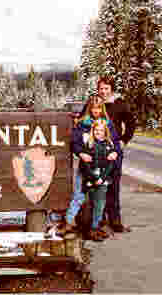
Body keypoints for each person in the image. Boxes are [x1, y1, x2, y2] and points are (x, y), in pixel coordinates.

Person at [81, 75, 136, 233]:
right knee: (97, 183)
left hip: (113, 149)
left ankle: (115, 219)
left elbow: (131, 123)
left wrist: (124, 140)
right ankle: (99, 218)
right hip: (97, 150)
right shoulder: (93, 103)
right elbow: (82, 119)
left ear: (111, 89)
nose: (103, 91)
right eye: (101, 89)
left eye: (106, 88)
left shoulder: (119, 103)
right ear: (97, 89)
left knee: (114, 184)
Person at [60, 96, 121, 238]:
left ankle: (95, 226)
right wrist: (80, 153)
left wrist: (114, 153)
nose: (96, 110)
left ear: (102, 109)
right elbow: (75, 142)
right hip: (86, 167)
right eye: (93, 108)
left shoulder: (108, 124)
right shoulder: (82, 124)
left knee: (99, 200)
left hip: (102, 168)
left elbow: (115, 143)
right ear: (89, 108)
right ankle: (69, 222)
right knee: (78, 195)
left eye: (99, 108)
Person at [80, 119, 117, 241]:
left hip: (103, 179)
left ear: (105, 132)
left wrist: (102, 178)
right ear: (93, 131)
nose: (98, 132)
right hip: (90, 178)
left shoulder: (109, 145)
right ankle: (87, 228)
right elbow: (85, 164)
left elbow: (111, 165)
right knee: (89, 203)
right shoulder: (89, 144)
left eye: (101, 130)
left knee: (100, 204)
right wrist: (93, 177)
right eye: (96, 130)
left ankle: (95, 228)